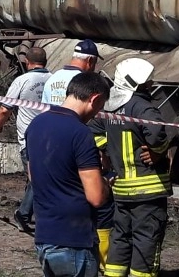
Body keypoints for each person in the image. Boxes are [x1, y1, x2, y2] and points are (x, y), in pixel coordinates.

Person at [90, 58, 172, 277]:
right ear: (136, 83)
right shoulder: (143, 107)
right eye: (147, 82)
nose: (151, 85)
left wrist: (107, 151)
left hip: (122, 188)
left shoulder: (109, 106)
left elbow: (93, 129)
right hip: (148, 189)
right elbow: (156, 135)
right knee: (147, 238)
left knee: (121, 237)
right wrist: (158, 151)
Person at [26, 72, 112, 277]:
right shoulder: (81, 133)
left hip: (45, 235)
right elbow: (96, 197)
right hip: (75, 241)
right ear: (95, 98)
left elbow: (33, 176)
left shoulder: (36, 125)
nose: (96, 114)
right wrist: (106, 181)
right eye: (99, 108)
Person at [0, 46, 51, 233]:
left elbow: (4, 109)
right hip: (52, 138)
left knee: (37, 178)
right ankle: (33, 214)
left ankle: (24, 214)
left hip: (30, 140)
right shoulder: (54, 79)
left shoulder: (22, 81)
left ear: (27, 62)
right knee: (40, 177)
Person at [41, 40, 101, 106]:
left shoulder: (54, 76)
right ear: (90, 60)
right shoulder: (86, 82)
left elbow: (43, 106)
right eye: (95, 63)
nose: (94, 68)